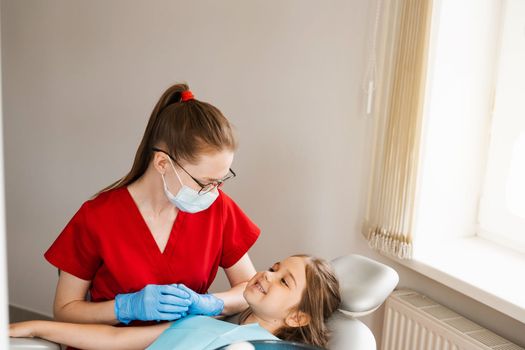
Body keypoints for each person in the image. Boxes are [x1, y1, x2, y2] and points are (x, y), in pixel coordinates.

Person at [44, 83, 260, 329]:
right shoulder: (98, 217)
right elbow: (64, 310)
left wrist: (210, 302)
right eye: (206, 182)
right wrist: (123, 307)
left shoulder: (218, 208)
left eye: (221, 180)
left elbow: (249, 289)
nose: (214, 191)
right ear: (162, 163)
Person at [10, 255, 341, 349]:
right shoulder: (204, 324)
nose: (267, 275)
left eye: (284, 281)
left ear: (298, 318)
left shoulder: (246, 348)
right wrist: (35, 327)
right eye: (274, 267)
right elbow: (116, 339)